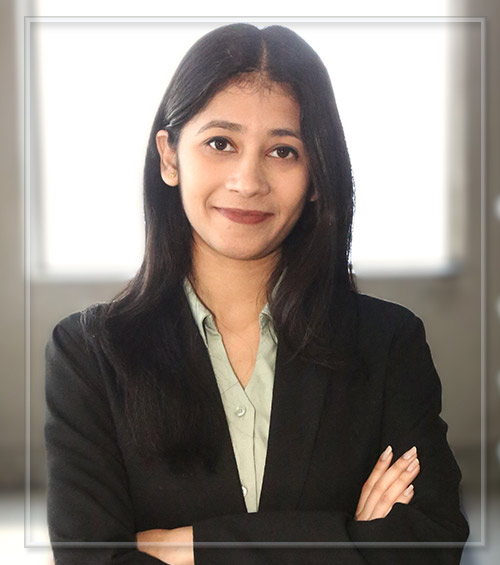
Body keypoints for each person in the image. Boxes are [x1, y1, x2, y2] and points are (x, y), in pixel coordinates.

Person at [45, 23, 469, 564]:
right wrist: (346, 540)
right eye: (220, 143)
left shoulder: (387, 344)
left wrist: (195, 547)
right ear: (170, 158)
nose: (248, 181)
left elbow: (428, 544)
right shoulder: (89, 354)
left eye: (283, 151)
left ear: (316, 176)